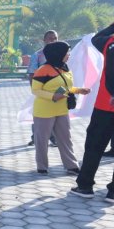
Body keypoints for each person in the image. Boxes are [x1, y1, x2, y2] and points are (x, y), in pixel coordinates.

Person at [72, 18, 114, 202]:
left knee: (94, 146)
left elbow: (97, 38)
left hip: (105, 107)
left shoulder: (112, 43)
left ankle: (84, 186)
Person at [31, 41, 89, 175]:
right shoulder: (42, 70)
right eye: (66, 52)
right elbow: (35, 90)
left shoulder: (65, 68)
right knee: (42, 140)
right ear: (58, 53)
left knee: (65, 138)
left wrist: (79, 90)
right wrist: (52, 96)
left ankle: (71, 166)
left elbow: (66, 88)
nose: (68, 55)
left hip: (62, 110)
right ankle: (42, 166)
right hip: (44, 111)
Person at [27, 30, 59, 147]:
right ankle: (35, 137)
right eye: (50, 38)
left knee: (55, 114)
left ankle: (54, 138)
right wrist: (34, 90)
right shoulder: (38, 55)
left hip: (56, 90)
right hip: (41, 90)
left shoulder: (61, 55)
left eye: (55, 38)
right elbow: (31, 73)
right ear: (44, 40)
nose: (52, 40)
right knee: (39, 114)